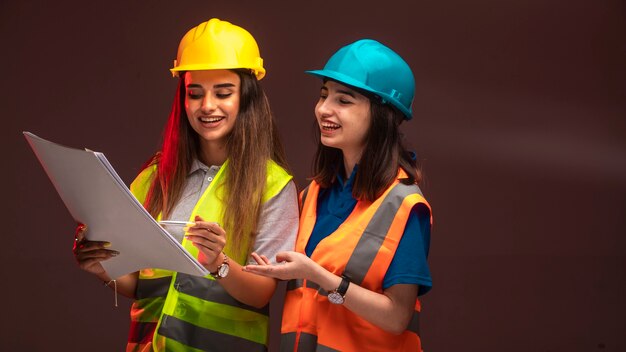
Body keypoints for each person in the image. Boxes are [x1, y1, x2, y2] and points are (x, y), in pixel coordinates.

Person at [72, 18, 299, 351]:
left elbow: (262, 292)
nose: (207, 106)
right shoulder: (155, 176)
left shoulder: (273, 185)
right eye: (195, 94)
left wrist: (218, 262)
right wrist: (101, 267)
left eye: (223, 93)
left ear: (246, 99)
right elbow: (138, 283)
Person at [243, 39, 433, 351]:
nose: (323, 109)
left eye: (343, 101)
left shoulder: (405, 205)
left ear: (382, 115)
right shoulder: (313, 195)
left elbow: (398, 316)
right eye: (323, 95)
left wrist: (320, 276)